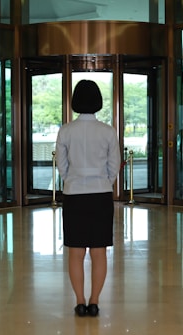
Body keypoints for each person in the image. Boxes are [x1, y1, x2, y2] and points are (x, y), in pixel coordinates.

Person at [55, 80, 121, 317]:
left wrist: (71, 178)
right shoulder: (107, 131)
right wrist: (104, 181)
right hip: (100, 195)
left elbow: (61, 165)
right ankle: (94, 302)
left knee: (75, 251)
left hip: (74, 196)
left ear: (75, 101)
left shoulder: (66, 130)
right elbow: (114, 165)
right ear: (98, 101)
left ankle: (80, 301)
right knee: (98, 251)